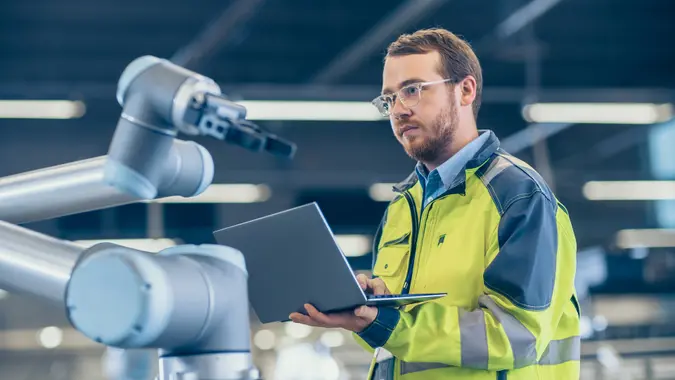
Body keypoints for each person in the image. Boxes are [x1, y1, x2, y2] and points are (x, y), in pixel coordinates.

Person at [290, 28, 580, 380]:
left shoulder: (518, 196)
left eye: (412, 90)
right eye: (389, 99)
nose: (398, 110)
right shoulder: (402, 208)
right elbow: (394, 345)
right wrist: (368, 312)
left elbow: (516, 336)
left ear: (465, 90)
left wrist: (388, 323)